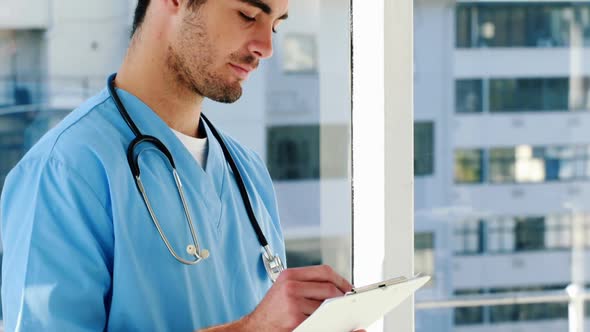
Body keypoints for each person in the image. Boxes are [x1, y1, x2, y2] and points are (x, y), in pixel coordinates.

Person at [0, 0, 364, 331]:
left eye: (275, 26)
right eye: (248, 15)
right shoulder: (65, 170)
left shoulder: (247, 172)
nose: (266, 48)